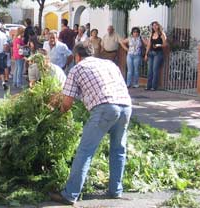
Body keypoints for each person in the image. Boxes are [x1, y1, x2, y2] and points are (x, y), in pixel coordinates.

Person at [48, 43, 132, 205]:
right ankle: (116, 190)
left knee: (85, 151)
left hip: (105, 108)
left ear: (77, 56)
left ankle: (70, 194)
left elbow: (67, 103)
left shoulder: (77, 69)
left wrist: (57, 113)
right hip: (126, 106)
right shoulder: (109, 64)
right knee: (118, 150)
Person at [144, 21, 167, 91]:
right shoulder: (152, 34)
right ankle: (148, 86)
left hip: (158, 53)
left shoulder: (161, 34)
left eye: (155, 25)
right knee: (149, 70)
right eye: (153, 26)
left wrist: (158, 45)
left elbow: (165, 44)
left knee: (155, 70)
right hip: (151, 53)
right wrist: (146, 54)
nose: (154, 27)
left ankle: (154, 86)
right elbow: (149, 45)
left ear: (158, 26)